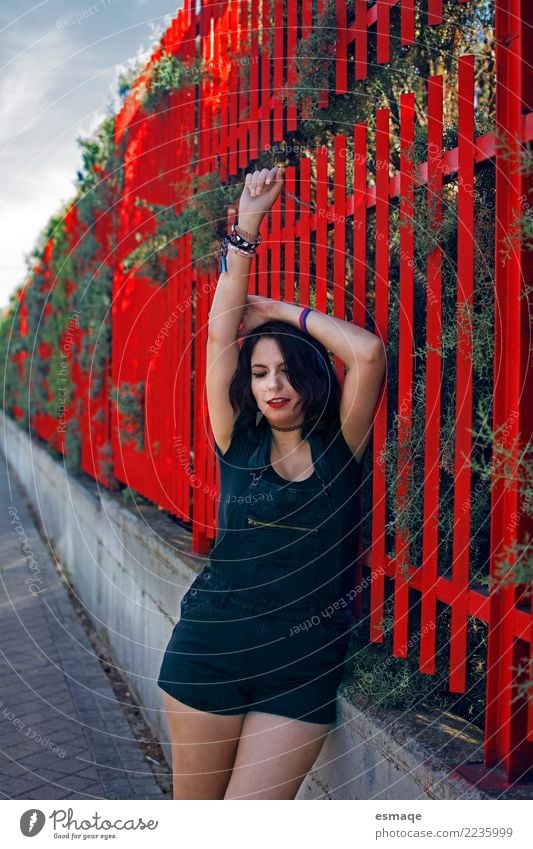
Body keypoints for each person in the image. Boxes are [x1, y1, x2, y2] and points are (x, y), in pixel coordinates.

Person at [157, 166, 386, 799]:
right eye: (260, 373)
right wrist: (249, 225)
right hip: (210, 646)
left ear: (309, 378)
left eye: (285, 371)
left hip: (300, 666)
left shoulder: (342, 447)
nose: (273, 385)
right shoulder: (237, 439)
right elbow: (216, 337)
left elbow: (367, 353)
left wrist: (281, 313)